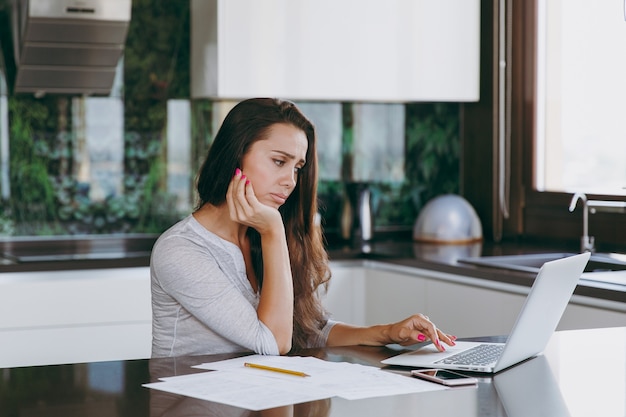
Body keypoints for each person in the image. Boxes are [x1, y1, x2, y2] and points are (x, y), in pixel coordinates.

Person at [150, 98, 457, 358]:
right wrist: (272, 232)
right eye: (278, 161)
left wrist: (386, 332)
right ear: (235, 155)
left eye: (297, 167)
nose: (291, 181)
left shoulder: (263, 235)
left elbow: (309, 331)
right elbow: (273, 342)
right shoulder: (180, 250)